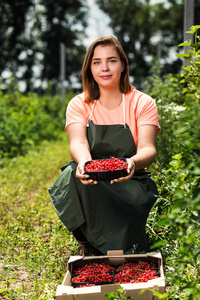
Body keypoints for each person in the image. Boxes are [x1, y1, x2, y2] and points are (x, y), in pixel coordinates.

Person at [49, 36, 160, 256]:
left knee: (132, 243)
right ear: (89, 68)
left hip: (131, 178)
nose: (105, 68)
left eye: (111, 60)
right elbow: (78, 141)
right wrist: (85, 163)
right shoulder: (79, 104)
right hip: (93, 177)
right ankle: (86, 242)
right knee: (70, 175)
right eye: (97, 62)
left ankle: (122, 240)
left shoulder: (142, 102)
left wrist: (131, 163)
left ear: (123, 65)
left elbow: (148, 149)